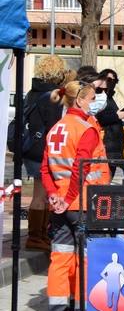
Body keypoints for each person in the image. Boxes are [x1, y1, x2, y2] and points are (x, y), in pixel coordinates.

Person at [40, 81, 111, 311]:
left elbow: (45, 170)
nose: (95, 103)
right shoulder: (87, 129)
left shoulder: (55, 129)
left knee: (59, 260)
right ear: (79, 101)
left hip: (59, 204)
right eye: (92, 98)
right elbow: (80, 170)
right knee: (85, 262)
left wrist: (54, 196)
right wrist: (69, 198)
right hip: (81, 203)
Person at [18, 54, 68, 251]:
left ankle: (40, 234)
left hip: (31, 149)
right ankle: (36, 236)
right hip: (42, 150)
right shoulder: (52, 96)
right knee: (41, 194)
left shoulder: (33, 92)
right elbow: (54, 126)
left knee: (43, 193)